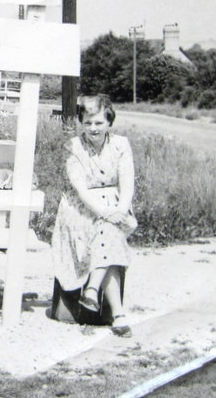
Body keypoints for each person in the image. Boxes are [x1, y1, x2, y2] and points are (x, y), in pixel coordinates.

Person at [50, 94, 137, 337]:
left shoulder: (121, 145)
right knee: (109, 231)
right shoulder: (74, 147)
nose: (93, 128)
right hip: (80, 208)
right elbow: (81, 190)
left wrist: (120, 210)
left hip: (114, 203)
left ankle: (92, 290)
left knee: (109, 230)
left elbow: (127, 183)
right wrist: (106, 213)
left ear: (109, 122)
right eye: (87, 123)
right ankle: (118, 315)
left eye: (98, 123)